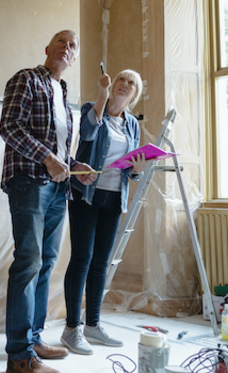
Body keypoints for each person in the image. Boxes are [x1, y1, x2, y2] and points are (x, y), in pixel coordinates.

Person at [0, 30, 97, 373]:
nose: (66, 47)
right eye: (61, 40)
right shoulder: (27, 79)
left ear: (73, 58)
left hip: (58, 188)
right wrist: (46, 158)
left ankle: (34, 340)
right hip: (28, 181)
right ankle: (20, 357)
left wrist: (74, 166)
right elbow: (9, 127)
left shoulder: (64, 92)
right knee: (28, 261)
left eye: (72, 45)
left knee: (46, 262)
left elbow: (59, 151)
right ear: (47, 48)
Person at [59, 69, 147, 355]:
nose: (125, 84)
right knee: (82, 259)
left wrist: (137, 170)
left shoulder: (132, 124)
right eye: (121, 79)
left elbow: (131, 173)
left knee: (101, 263)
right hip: (86, 194)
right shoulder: (92, 109)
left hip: (114, 197)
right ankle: (71, 329)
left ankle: (93, 325)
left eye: (131, 83)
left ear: (135, 93)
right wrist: (102, 94)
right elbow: (87, 133)